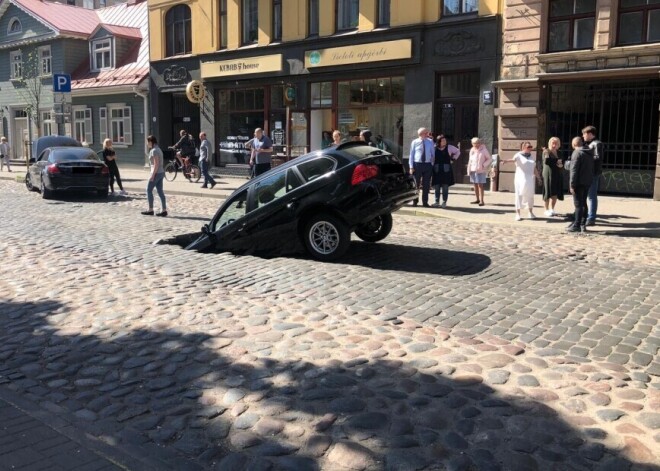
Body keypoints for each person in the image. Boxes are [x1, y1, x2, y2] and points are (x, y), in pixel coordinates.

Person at [503, 141, 541, 221]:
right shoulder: (518, 155)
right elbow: (514, 160)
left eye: (531, 147)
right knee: (519, 195)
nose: (530, 148)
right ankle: (518, 214)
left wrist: (538, 178)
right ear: (524, 147)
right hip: (520, 178)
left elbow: (534, 168)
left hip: (530, 179)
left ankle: (530, 212)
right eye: (528, 147)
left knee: (530, 196)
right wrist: (506, 161)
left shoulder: (531, 156)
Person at [566, 136, 594, 233]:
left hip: (578, 182)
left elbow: (574, 170)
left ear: (574, 145)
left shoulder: (577, 153)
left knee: (578, 205)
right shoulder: (589, 152)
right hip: (587, 181)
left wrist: (572, 184)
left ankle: (576, 225)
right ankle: (583, 224)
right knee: (584, 203)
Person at [582, 125, 603, 226]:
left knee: (591, 196)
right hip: (588, 173)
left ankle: (591, 218)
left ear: (590, 134)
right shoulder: (589, 144)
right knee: (585, 195)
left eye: (584, 134)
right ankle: (585, 215)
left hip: (593, 173)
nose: (583, 136)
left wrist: (585, 157)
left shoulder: (597, 144)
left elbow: (597, 158)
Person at [142, 135, 167, 217]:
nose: (147, 144)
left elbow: (156, 164)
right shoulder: (159, 149)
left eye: (147, 142)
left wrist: (153, 175)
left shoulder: (154, 151)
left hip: (156, 173)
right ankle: (164, 210)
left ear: (150, 142)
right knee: (160, 191)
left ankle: (150, 209)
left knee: (148, 190)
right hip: (161, 172)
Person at [408, 127, 434, 207]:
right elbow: (411, 155)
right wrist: (411, 167)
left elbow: (433, 154)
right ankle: (415, 201)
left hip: (427, 164)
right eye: (426, 133)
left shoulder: (430, 142)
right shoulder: (415, 142)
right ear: (421, 134)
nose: (427, 134)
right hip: (417, 164)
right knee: (416, 184)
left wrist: (432, 164)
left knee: (426, 184)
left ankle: (425, 202)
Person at [432, 135, 460, 208]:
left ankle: (444, 202)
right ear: (439, 141)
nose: (445, 142)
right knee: (437, 186)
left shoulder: (449, 147)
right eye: (443, 140)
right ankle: (436, 201)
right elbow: (431, 157)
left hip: (446, 169)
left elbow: (458, 151)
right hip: (437, 169)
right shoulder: (434, 147)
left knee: (445, 186)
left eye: (445, 140)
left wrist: (453, 158)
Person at [541, 137, 564, 216]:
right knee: (548, 192)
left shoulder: (559, 152)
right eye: (553, 143)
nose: (554, 145)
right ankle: (546, 209)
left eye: (556, 144)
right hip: (548, 174)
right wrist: (557, 161)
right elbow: (547, 161)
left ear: (559, 145)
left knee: (555, 192)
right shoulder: (546, 151)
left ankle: (552, 209)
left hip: (557, 174)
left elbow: (562, 161)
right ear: (549, 143)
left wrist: (561, 165)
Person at [467, 137, 491, 206]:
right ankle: (477, 199)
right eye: (474, 143)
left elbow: (489, 159)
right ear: (472, 144)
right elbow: (470, 160)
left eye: (478, 143)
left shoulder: (484, 150)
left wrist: (483, 165)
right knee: (475, 185)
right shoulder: (472, 150)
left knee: (480, 185)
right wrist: (469, 169)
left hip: (480, 170)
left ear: (480, 143)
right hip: (473, 169)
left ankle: (482, 201)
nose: (476, 144)